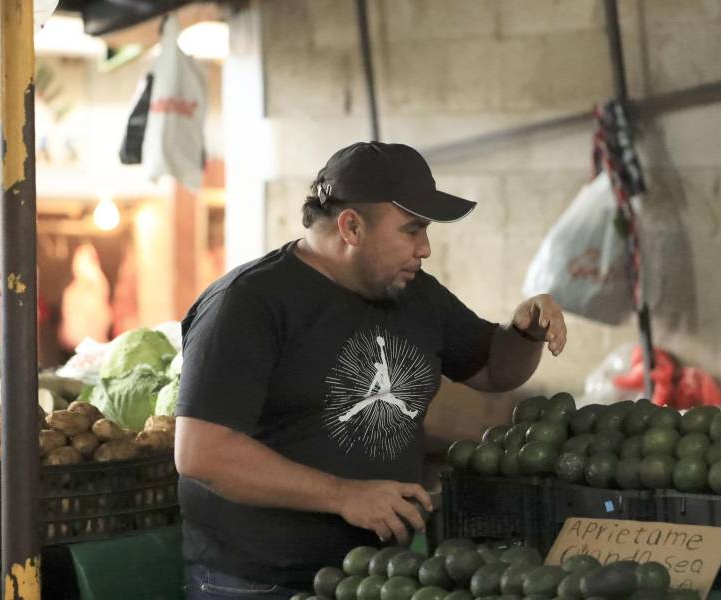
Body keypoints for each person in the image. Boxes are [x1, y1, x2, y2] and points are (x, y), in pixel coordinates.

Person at [175, 141, 568, 599]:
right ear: (351, 227)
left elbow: (496, 370)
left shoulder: (415, 295)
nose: (424, 248)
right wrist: (345, 495)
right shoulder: (248, 304)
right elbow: (203, 453)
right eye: (412, 230)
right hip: (259, 584)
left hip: (380, 578)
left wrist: (526, 331)